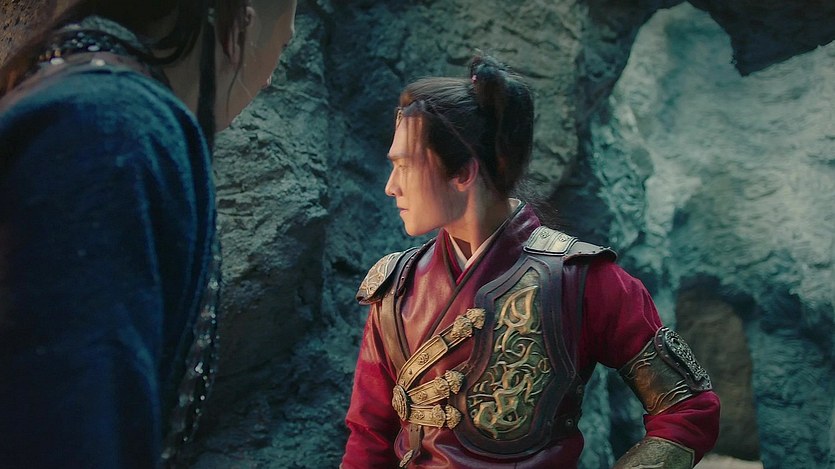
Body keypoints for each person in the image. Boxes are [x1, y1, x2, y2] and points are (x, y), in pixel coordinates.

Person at [341, 54, 720, 468]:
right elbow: (368, 438)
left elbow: (690, 411)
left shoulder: (583, 280)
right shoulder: (396, 287)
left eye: (404, 166)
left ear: (463, 172)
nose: (391, 186)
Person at [0, 1, 296, 467]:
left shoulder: (85, 105)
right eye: (283, 41)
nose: (269, 78)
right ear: (243, 17)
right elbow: (71, 430)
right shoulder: (104, 126)